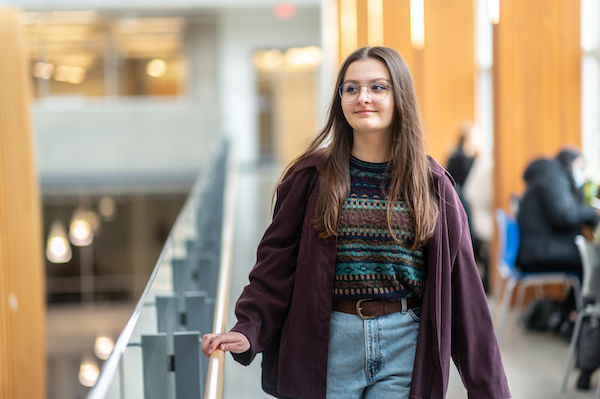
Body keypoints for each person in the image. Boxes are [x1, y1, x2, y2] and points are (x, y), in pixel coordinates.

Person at [201, 46, 510, 399]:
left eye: (378, 87)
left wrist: (490, 389)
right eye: (351, 88)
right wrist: (249, 328)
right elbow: (274, 267)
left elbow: (465, 292)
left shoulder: (432, 184)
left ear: (400, 97)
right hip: (328, 343)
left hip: (404, 344)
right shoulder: (310, 177)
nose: (363, 97)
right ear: (340, 99)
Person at [516, 148, 600, 390]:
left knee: (585, 260)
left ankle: (572, 316)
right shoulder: (553, 177)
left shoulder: (547, 173)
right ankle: (576, 317)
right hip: (537, 251)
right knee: (588, 261)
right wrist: (593, 214)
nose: (581, 172)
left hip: (534, 247)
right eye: (580, 166)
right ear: (571, 163)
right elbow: (563, 215)